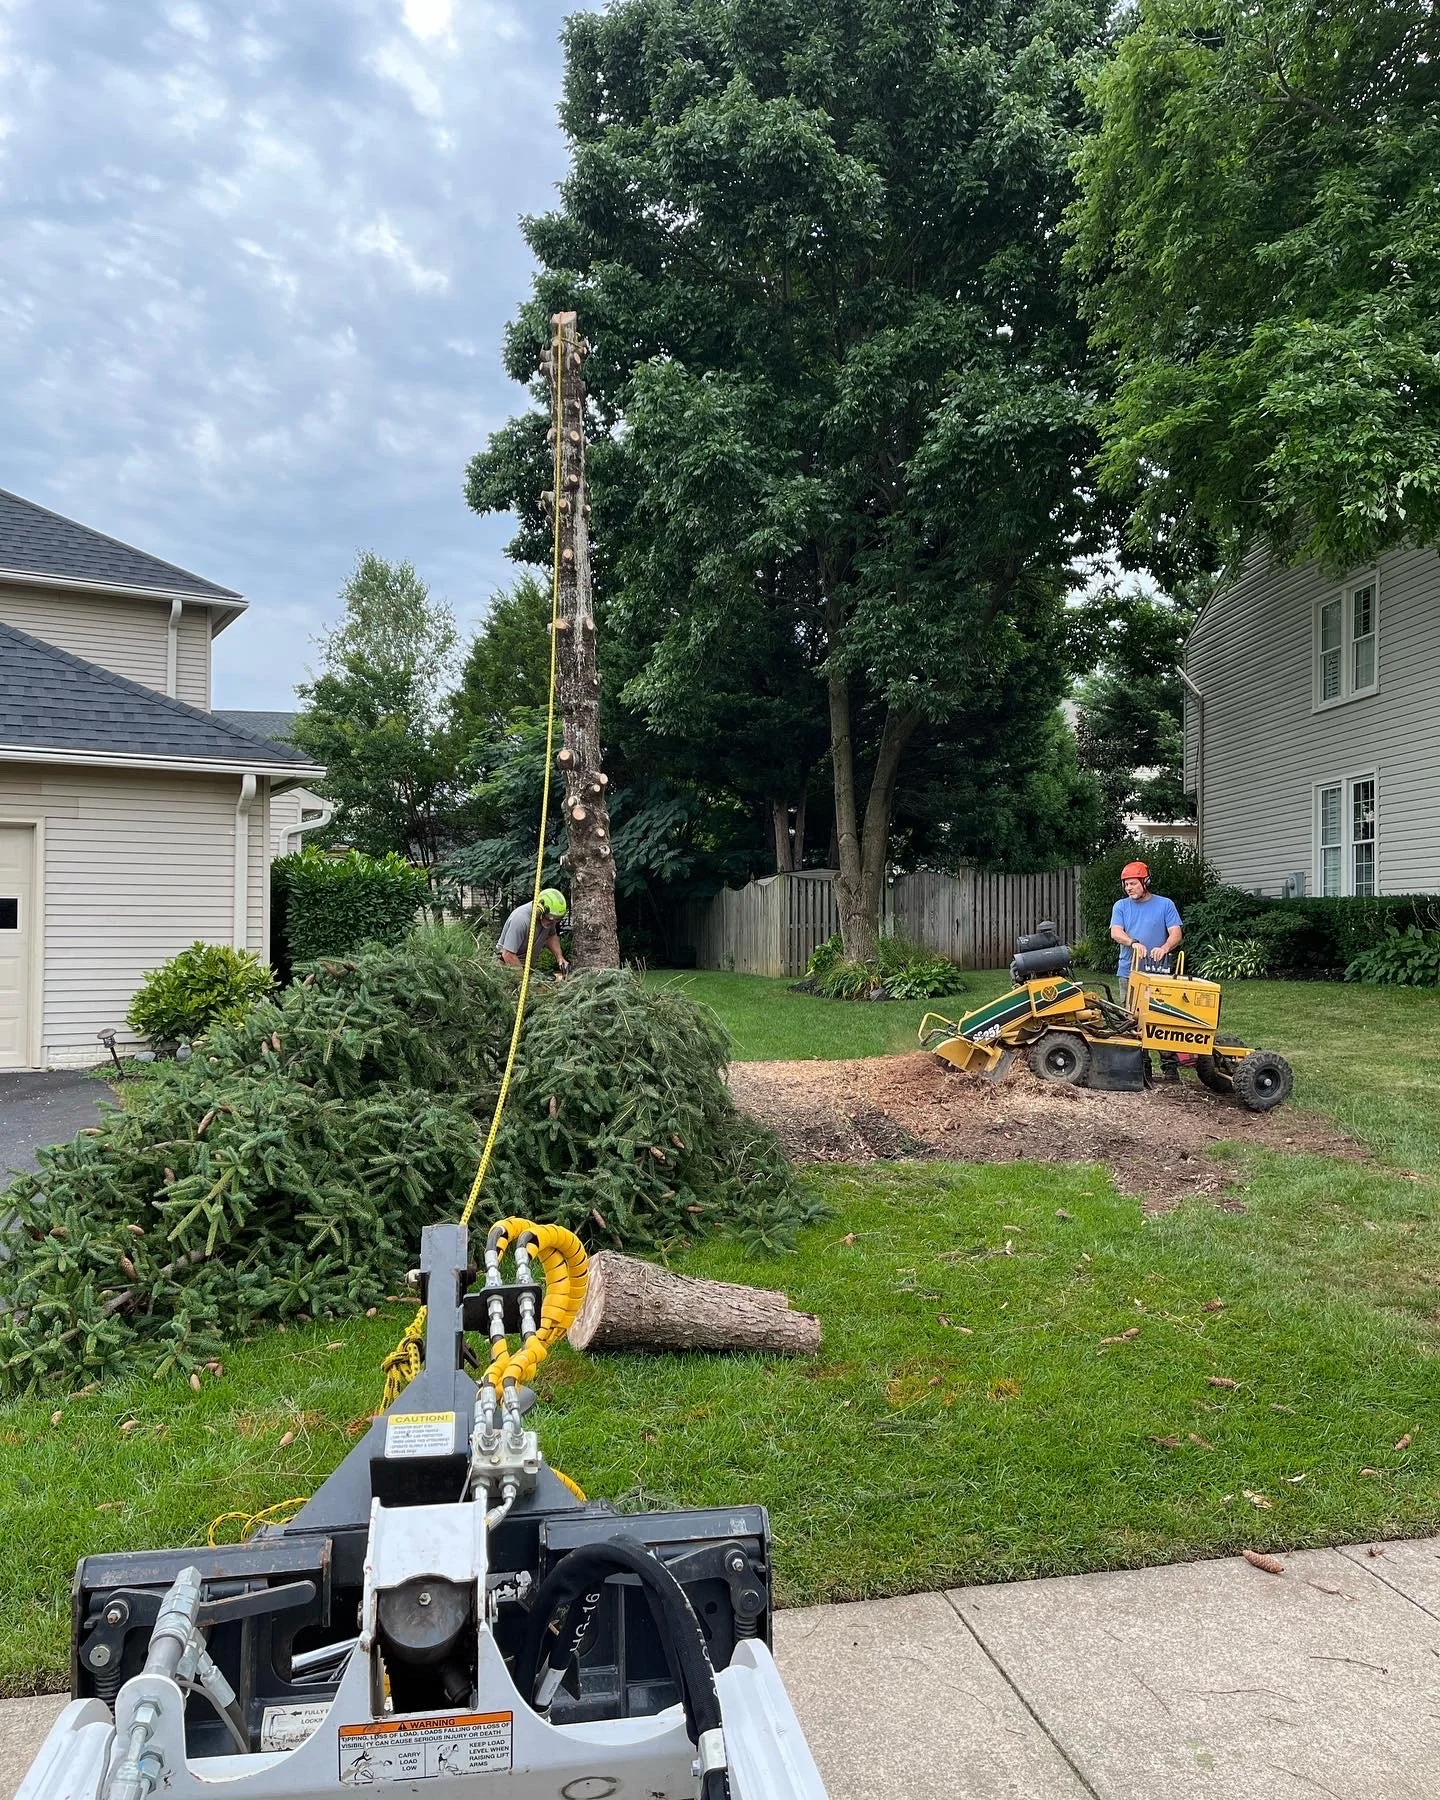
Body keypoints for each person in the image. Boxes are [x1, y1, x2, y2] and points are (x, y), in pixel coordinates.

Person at [1109, 860, 1184, 1082]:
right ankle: (1141, 1068)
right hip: (1129, 972)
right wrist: (1133, 942)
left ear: (1146, 882)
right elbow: (1116, 932)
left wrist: (1164, 947)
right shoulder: (1121, 906)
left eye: (1133, 883)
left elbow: (1176, 934)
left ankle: (1170, 1068)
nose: (1128, 888)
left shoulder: (1165, 905)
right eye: (1126, 884)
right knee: (1132, 1019)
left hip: (1159, 972)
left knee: (1163, 1017)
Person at [497, 888, 570, 974]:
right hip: (505, 967)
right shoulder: (521, 919)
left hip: (525, 967)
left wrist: (559, 957)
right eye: (550, 919)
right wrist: (523, 978)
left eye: (556, 920)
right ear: (539, 910)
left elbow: (551, 936)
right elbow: (508, 955)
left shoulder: (549, 919)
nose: (552, 923)